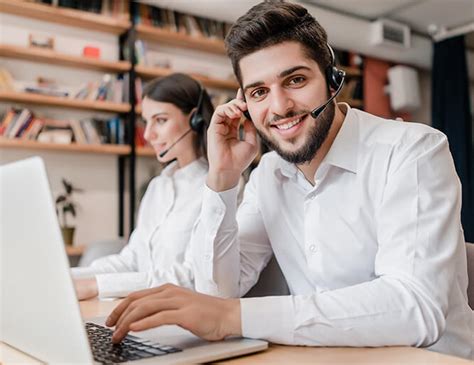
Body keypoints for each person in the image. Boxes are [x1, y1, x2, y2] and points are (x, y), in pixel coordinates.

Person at [105, 2, 473, 360]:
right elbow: (217, 290)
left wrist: (232, 317)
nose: (279, 107)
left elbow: (414, 308)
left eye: (295, 80)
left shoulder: (413, 151)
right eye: (259, 92)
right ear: (244, 103)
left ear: (332, 79)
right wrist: (222, 179)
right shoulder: (268, 175)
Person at [72, 73, 214, 300]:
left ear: (195, 119)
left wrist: (97, 286)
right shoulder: (158, 187)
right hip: (143, 308)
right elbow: (132, 259)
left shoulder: (218, 189)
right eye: (146, 122)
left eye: (160, 120)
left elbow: (192, 277)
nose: (148, 134)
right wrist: (70, 276)